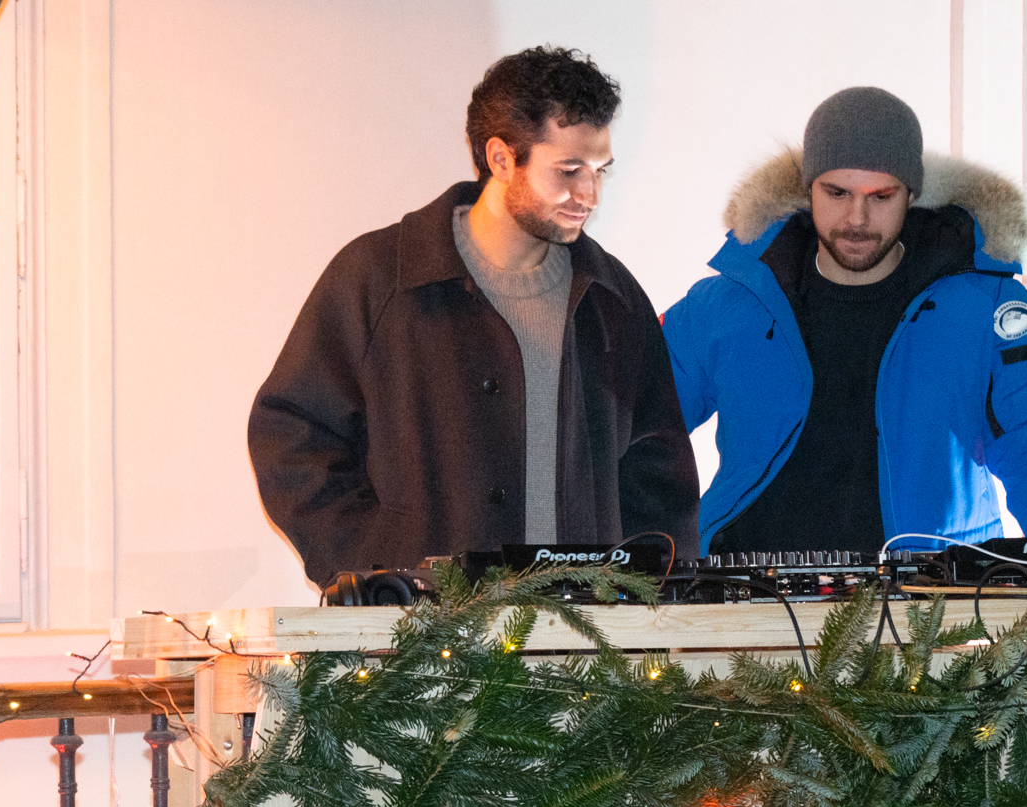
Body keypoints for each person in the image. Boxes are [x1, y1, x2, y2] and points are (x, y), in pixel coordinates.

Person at [249, 47, 698, 586]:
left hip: (586, 631)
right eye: (569, 170)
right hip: (428, 631)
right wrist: (377, 567)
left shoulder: (613, 298)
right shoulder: (381, 278)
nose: (589, 194)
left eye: (600, 171)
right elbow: (291, 435)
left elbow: (659, 468)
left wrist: (639, 591)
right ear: (501, 158)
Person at [664, 87, 1027, 556]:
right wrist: (632, 561)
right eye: (837, 193)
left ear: (911, 194)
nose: (857, 218)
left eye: (881, 196)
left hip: (931, 591)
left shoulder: (989, 308)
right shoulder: (726, 303)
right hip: (748, 587)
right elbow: (637, 428)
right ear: (808, 189)